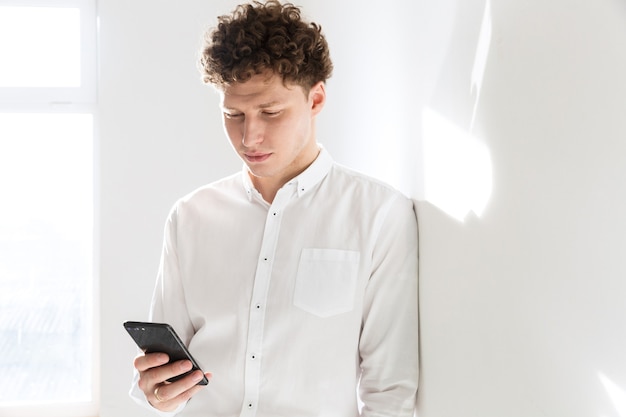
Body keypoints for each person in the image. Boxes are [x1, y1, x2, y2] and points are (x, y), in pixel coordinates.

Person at [129, 1, 418, 416]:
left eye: (271, 112)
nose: (250, 137)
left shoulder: (378, 215)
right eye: (234, 115)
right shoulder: (190, 216)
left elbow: (390, 390)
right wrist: (158, 392)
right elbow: (164, 384)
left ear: (316, 99)